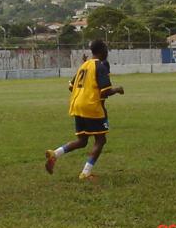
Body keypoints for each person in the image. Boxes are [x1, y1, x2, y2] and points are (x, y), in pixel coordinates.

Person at [45, 40, 124, 179]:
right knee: (100, 141)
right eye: (106, 49)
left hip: (77, 105)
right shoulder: (99, 66)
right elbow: (104, 92)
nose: (107, 52)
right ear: (102, 50)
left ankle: (55, 154)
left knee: (82, 141)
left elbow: (71, 86)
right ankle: (86, 173)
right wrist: (117, 89)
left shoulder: (84, 65)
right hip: (91, 106)